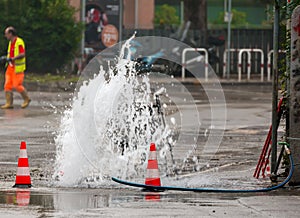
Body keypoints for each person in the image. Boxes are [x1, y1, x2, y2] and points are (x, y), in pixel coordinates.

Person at [1, 26, 31, 109]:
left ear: (11, 34)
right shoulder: (11, 42)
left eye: (6, 34)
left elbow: (22, 54)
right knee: (7, 85)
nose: (5, 36)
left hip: (18, 68)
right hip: (10, 67)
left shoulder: (19, 42)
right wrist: (6, 59)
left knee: (17, 85)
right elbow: (11, 54)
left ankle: (26, 99)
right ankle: (9, 103)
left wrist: (12, 59)